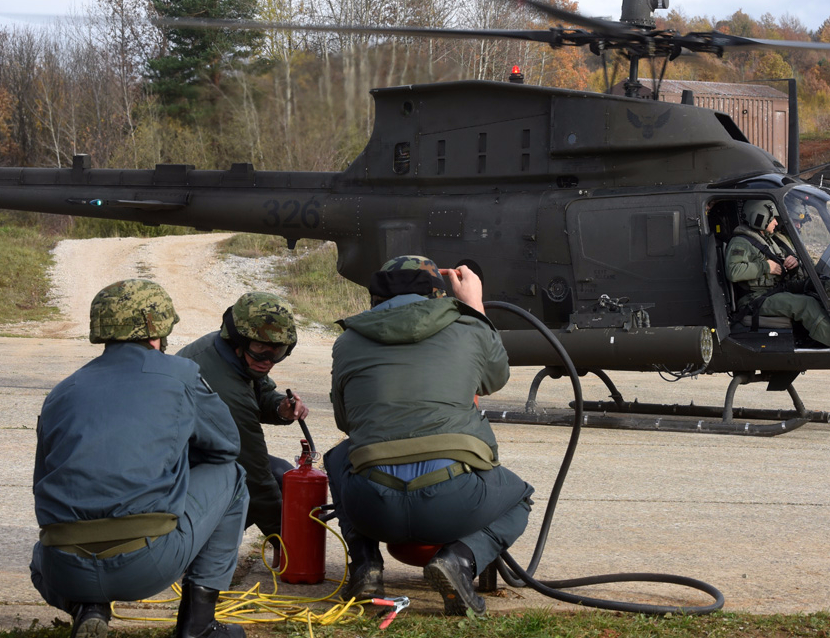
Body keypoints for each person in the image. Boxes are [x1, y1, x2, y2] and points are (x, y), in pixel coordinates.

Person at [30, 279, 248, 638]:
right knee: (234, 476)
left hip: (63, 571)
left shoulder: (61, 392)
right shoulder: (181, 375)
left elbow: (43, 481)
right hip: (146, 564)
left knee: (42, 555)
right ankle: (199, 626)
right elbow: (226, 446)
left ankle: (87, 607)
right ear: (157, 331)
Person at [325, 255, 535, 616]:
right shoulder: (469, 327)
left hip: (372, 509)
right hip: (454, 504)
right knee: (520, 498)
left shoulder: (347, 342)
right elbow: (495, 378)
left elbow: (346, 423)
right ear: (439, 295)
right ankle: (460, 560)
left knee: (339, 456)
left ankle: (365, 566)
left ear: (376, 298)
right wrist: (474, 306)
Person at [176, 292, 308, 545]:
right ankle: (197, 547)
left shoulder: (224, 352)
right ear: (238, 340)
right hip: (178, 481)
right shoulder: (223, 389)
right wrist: (289, 543)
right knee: (267, 479)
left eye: (278, 352)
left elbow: (259, 391)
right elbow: (254, 476)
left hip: (193, 462)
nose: (268, 361)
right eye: (260, 350)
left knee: (281, 473)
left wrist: (280, 407)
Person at [725, 200, 830, 347]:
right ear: (760, 217)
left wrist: (792, 264)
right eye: (773, 218)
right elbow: (733, 272)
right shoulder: (740, 242)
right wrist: (766, 267)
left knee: (814, 293)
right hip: (754, 299)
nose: (776, 223)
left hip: (772, 292)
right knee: (807, 304)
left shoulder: (766, 240)